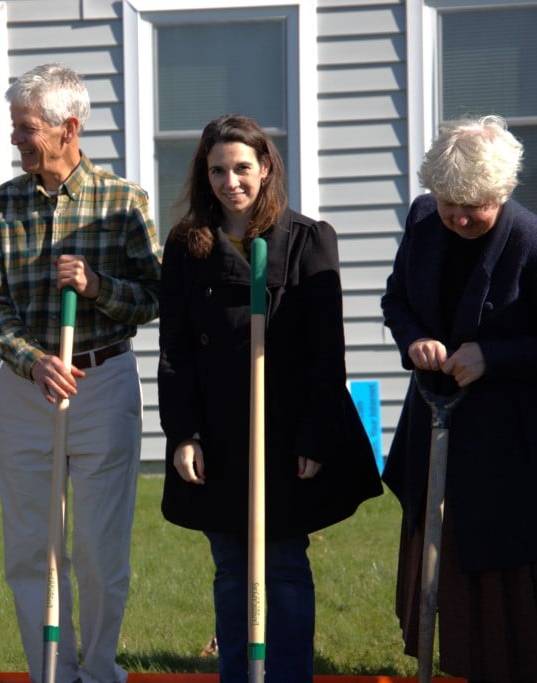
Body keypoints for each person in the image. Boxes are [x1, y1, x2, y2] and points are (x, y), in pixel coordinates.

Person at [157, 114, 383, 683]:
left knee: (282, 562)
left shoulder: (306, 240)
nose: (229, 181)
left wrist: (315, 436)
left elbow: (327, 353)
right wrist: (184, 433)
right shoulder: (187, 247)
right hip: (218, 431)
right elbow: (175, 349)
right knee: (231, 565)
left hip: (284, 429)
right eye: (216, 170)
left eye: (241, 168)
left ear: (265, 169)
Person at [0, 63, 162, 683]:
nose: (15, 141)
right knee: (33, 547)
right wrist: (32, 361)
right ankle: (51, 673)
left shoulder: (122, 202)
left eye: (26, 129)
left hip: (103, 383)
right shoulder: (1, 207)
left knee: (97, 550)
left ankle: (100, 671)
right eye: (14, 128)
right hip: (29, 391)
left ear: (68, 128)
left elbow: (155, 297)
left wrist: (97, 284)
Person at [382, 115, 537, 683]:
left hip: (511, 445)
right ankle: (453, 663)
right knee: (441, 555)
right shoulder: (423, 220)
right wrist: (413, 337)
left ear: (503, 192)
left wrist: (494, 356)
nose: (460, 216)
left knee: (506, 573)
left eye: (475, 205)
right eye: (449, 203)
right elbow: (397, 298)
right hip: (435, 422)